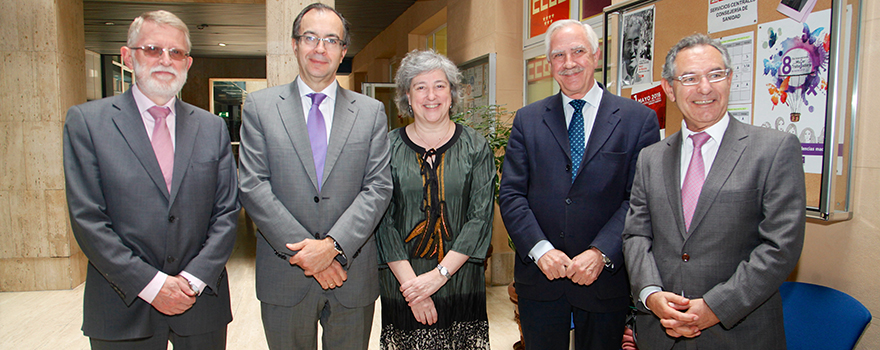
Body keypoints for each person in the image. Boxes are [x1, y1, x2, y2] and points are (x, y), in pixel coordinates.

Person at [63, 10, 240, 349]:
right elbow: (88, 219)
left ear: (187, 63)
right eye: (152, 49)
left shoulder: (211, 128)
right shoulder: (87, 123)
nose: (165, 60)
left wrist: (191, 280)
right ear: (127, 57)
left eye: (176, 52)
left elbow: (227, 213)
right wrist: (153, 285)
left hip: (199, 303)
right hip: (122, 303)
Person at [622, 33, 806, 349]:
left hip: (740, 334)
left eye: (715, 75)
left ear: (730, 79)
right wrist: (650, 294)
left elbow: (780, 247)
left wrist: (714, 307)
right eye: (690, 78)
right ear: (669, 88)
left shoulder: (773, 149)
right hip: (661, 334)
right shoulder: (651, 157)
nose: (704, 88)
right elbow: (636, 235)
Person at [237, 3, 392, 349]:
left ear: (343, 51)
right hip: (285, 274)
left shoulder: (370, 112)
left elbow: (378, 187)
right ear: (294, 44)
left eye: (331, 40)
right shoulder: (261, 107)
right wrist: (310, 255)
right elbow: (252, 185)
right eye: (310, 38)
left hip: (351, 277)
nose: (320, 48)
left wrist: (333, 246)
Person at [498, 19, 660, 350]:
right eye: (559, 55)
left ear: (596, 55)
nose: (569, 63)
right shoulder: (528, 120)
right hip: (541, 279)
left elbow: (639, 199)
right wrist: (540, 250)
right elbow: (512, 194)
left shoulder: (638, 120)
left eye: (578, 51)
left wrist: (601, 252)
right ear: (549, 64)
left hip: (604, 281)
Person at [376, 50, 495, 349]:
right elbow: (382, 221)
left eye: (440, 85)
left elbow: (480, 219)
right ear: (407, 96)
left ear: (452, 94)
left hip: (460, 277)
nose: (432, 95)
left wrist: (439, 276)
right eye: (420, 86)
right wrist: (413, 289)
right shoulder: (385, 147)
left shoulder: (476, 147)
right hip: (404, 282)